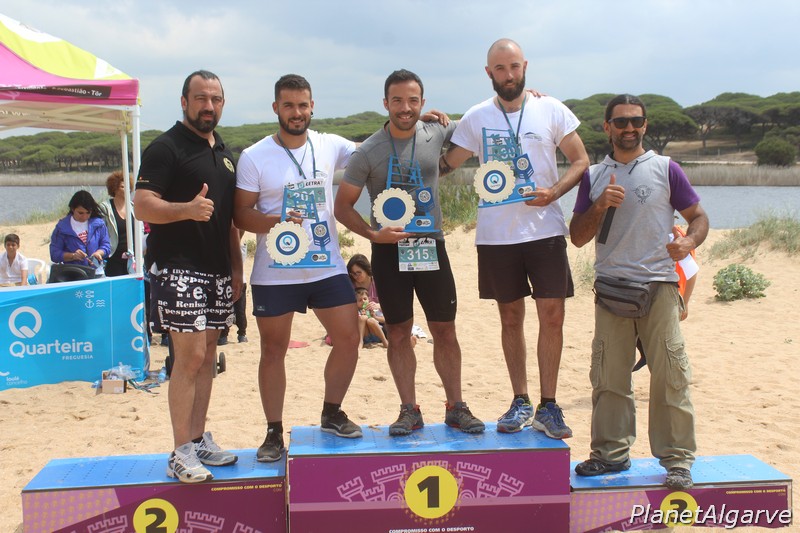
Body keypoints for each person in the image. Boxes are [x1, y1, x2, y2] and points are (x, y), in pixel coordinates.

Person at [438, 39, 590, 438]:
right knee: (510, 318)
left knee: (552, 317)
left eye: (514, 66)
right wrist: (428, 126)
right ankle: (520, 400)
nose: (509, 75)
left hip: (545, 231)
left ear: (525, 67)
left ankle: (549, 405)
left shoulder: (551, 108)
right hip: (496, 237)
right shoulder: (476, 117)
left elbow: (581, 160)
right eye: (501, 68)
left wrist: (554, 192)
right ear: (489, 73)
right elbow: (445, 164)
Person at [569, 94, 709, 491]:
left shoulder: (666, 169)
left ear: (645, 125)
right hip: (611, 289)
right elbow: (577, 237)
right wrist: (599, 205)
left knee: (670, 377)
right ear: (607, 127)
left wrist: (689, 242)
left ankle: (677, 461)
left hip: (660, 287)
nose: (629, 128)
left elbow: (698, 217)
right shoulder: (593, 175)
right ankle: (610, 454)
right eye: (621, 122)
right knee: (609, 377)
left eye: (636, 121)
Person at [335, 69, 485, 436]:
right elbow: (342, 207)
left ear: (423, 102)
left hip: (431, 245)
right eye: (398, 100)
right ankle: (409, 410)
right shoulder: (368, 151)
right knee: (399, 332)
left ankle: (456, 407)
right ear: (385, 103)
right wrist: (373, 234)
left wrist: (525, 97)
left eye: (413, 100)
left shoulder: (436, 131)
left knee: (444, 330)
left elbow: (482, 121)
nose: (405, 108)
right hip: (389, 252)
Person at [234, 74, 363, 463]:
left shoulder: (330, 145)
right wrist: (277, 220)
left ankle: (332, 412)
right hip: (276, 271)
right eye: (288, 105)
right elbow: (241, 214)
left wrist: (423, 121)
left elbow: (376, 148)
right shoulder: (254, 156)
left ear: (312, 107)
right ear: (276, 108)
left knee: (349, 338)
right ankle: (274, 432)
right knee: (273, 351)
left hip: (326, 267)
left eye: (303, 105)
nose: (296, 112)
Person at [134, 70, 243, 484]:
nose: (208, 106)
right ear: (184, 102)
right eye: (200, 98)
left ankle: (197, 440)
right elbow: (142, 204)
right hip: (177, 266)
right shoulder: (166, 147)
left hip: (217, 269)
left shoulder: (225, 153)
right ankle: (180, 451)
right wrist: (186, 210)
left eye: (215, 99)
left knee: (208, 357)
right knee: (190, 356)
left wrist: (236, 269)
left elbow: (230, 220)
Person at [633, 225, 697, 372]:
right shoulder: (657, 230)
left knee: (666, 345)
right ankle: (645, 356)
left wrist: (685, 303)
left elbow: (691, 272)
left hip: (670, 296)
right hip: (651, 294)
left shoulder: (674, 235)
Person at [49, 190, 111, 271]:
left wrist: (99, 253)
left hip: (97, 271)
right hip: (74, 273)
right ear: (72, 209)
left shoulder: (99, 224)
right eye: (80, 213)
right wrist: (73, 256)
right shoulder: (62, 228)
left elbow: (106, 246)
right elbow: (54, 254)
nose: (84, 216)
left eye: (88, 213)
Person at [98, 170, 135, 277]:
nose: (127, 189)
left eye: (128, 186)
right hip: (113, 258)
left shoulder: (133, 207)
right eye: (123, 187)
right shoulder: (105, 208)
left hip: (132, 259)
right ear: (114, 188)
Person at [219, 230, 248, 345]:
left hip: (234, 281)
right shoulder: (235, 247)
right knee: (234, 310)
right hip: (231, 281)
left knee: (234, 310)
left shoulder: (236, 248)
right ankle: (236, 335)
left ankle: (238, 334)